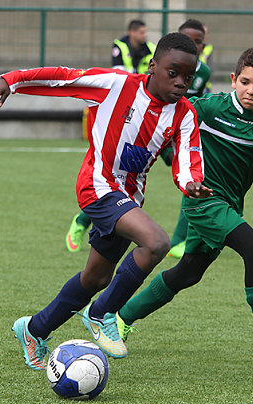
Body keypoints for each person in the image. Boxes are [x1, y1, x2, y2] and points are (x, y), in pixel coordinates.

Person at [0, 32, 213, 368]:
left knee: (96, 278)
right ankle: (102, 312)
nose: (181, 82)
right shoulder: (117, 85)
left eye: (188, 77)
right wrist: (11, 80)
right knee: (156, 243)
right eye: (173, 72)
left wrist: (191, 183)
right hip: (98, 185)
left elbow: (188, 160)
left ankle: (35, 329)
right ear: (153, 66)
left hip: (129, 197)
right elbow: (65, 79)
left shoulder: (184, 114)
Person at [114, 46, 253, 362]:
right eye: (245, 82)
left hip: (230, 206)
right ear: (234, 79)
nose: (251, 90)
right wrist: (171, 160)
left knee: (187, 274)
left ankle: (121, 318)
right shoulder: (208, 108)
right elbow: (169, 122)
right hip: (202, 202)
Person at [67, 19, 158, 254]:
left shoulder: (151, 51)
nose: (145, 35)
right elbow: (120, 74)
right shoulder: (120, 46)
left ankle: (89, 224)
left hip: (145, 115)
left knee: (122, 181)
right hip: (124, 110)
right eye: (141, 31)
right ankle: (82, 223)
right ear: (131, 32)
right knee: (111, 178)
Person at [167, 18, 211, 259]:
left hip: (181, 133)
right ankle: (83, 220)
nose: (195, 46)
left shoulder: (203, 72)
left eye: (199, 42)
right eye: (189, 41)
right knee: (125, 175)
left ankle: (178, 241)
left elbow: (196, 102)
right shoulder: (163, 63)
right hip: (155, 129)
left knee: (194, 179)